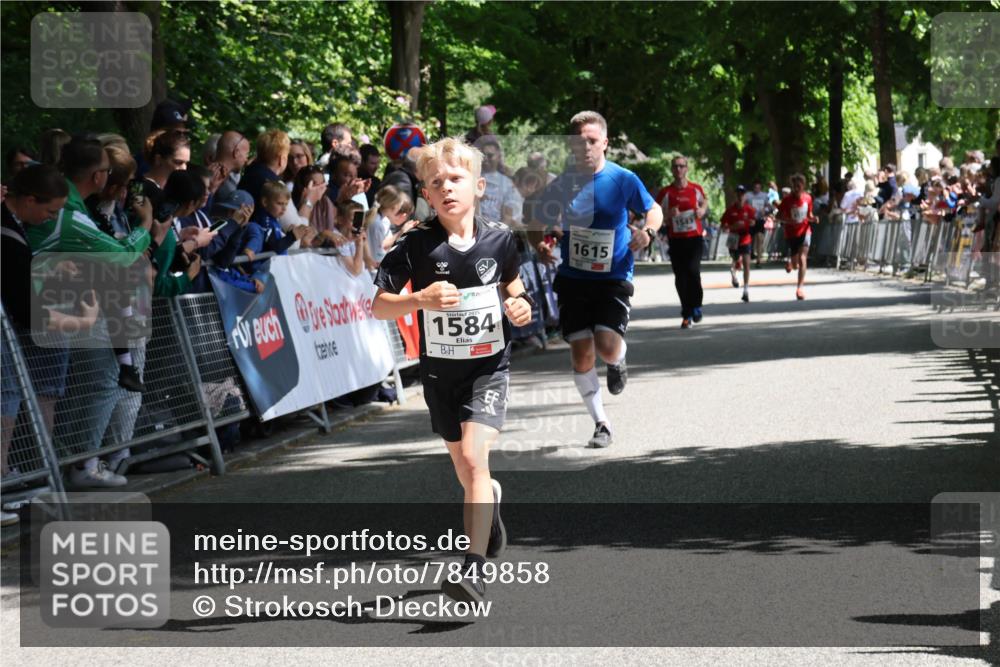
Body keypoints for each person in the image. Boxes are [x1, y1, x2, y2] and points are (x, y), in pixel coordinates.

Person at [372, 137, 532, 604]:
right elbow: (378, 305)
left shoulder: (500, 238)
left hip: (488, 368)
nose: (446, 188)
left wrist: (520, 306)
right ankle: (490, 505)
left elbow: (514, 287)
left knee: (476, 459)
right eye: (436, 182)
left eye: (456, 179)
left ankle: (473, 571)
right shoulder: (415, 244)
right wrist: (418, 299)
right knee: (466, 471)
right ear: (425, 193)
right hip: (441, 375)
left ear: (478, 186)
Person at [530, 110, 662, 448]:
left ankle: (618, 359)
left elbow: (653, 210)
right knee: (581, 355)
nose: (585, 147)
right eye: (579, 142)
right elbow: (535, 221)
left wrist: (647, 232)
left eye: (591, 141)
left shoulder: (623, 179)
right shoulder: (561, 185)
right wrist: (539, 245)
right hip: (574, 278)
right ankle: (601, 423)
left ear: (604, 142)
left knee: (606, 346)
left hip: (613, 275)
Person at [2, 165, 104, 515]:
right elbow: (26, 308)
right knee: (7, 397)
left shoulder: (15, 229)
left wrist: (48, 270)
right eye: (50, 211)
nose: (51, 219)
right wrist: (80, 320)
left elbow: (20, 280)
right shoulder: (8, 236)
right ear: (29, 200)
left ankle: (9, 475)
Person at [656, 155, 708, 329]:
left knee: (693, 272)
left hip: (694, 238)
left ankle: (696, 306)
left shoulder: (695, 189)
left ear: (686, 168)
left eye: (681, 166)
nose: (678, 169)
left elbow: (704, 202)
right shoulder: (666, 192)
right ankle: (686, 313)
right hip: (676, 239)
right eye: (675, 166)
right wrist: (667, 215)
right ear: (672, 170)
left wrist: (701, 210)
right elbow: (655, 214)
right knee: (680, 276)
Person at [777, 174, 817, 300]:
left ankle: (800, 288)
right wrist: (788, 220)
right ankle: (791, 264)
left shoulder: (808, 198)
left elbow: (809, 214)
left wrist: (814, 219)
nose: (796, 189)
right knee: (795, 265)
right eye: (794, 186)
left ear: (803, 186)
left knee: (802, 258)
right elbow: (778, 216)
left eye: (799, 186)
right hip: (791, 233)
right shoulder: (787, 200)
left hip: (805, 231)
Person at [720, 185, 756, 302]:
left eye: (742, 194)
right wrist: (732, 226)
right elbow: (723, 226)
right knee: (735, 259)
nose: (740, 196)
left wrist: (752, 223)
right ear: (735, 195)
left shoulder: (750, 209)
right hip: (733, 238)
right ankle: (734, 272)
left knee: (746, 263)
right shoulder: (730, 210)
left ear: (745, 196)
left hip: (745, 238)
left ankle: (746, 290)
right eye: (738, 194)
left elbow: (754, 222)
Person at [476, 136, 522, 227]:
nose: (486, 159)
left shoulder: (507, 184)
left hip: (495, 229)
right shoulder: (471, 178)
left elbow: (507, 216)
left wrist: (497, 233)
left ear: (498, 157)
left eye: (490, 155)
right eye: (483, 156)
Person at [745, 181, 770, 267]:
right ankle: (747, 258)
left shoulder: (764, 196)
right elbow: (743, 205)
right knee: (748, 240)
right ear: (753, 188)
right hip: (750, 220)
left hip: (760, 220)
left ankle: (758, 260)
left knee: (759, 238)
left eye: (758, 188)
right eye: (755, 187)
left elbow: (769, 207)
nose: (757, 189)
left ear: (760, 188)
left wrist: (765, 210)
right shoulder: (748, 195)